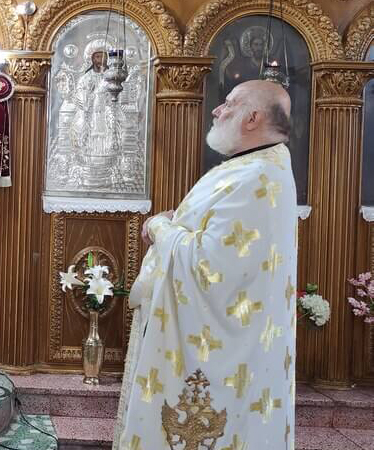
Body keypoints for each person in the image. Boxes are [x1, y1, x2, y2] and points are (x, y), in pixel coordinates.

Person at [113, 80, 297, 450]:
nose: (217, 110)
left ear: (252, 118)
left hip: (221, 357)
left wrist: (159, 227)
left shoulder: (257, 178)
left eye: (229, 103)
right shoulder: (254, 166)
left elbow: (207, 265)